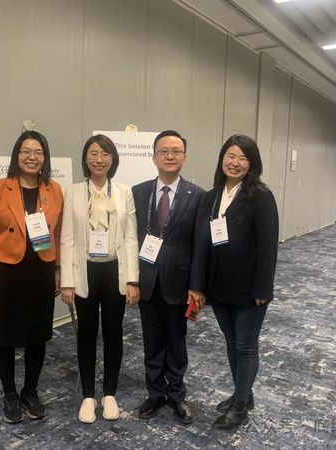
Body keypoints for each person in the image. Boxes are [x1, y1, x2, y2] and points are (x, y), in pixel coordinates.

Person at [0, 130, 63, 424]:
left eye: (38, 152)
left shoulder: (54, 190)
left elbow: (57, 233)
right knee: (5, 337)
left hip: (41, 271)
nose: (31, 157)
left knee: (37, 336)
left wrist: (57, 270)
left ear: (45, 158)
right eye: (26, 151)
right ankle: (10, 394)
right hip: (5, 271)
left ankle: (30, 391)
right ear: (17, 155)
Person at [194, 134, 278, 430]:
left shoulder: (261, 196)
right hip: (219, 287)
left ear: (252, 164)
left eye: (243, 158)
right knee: (232, 344)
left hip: (249, 290)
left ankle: (240, 407)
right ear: (222, 159)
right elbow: (203, 243)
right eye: (231, 156)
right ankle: (244, 394)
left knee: (245, 346)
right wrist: (200, 285)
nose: (235, 162)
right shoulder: (212, 196)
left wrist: (263, 288)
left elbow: (268, 247)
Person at [60, 134, 140, 424]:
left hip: (114, 270)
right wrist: (67, 281)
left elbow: (130, 237)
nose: (99, 159)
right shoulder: (73, 191)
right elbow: (67, 237)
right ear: (86, 158)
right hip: (85, 271)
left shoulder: (123, 191)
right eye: (93, 153)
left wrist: (133, 280)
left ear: (113, 159)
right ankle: (88, 395)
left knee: (113, 333)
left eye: (105, 154)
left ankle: (109, 394)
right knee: (86, 333)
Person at [132, 130, 206, 425]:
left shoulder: (197, 195)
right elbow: (130, 238)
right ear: (154, 157)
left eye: (176, 151)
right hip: (148, 281)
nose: (170, 156)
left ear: (185, 157)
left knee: (177, 342)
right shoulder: (138, 192)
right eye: (164, 151)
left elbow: (200, 245)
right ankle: (155, 394)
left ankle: (176, 394)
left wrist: (197, 286)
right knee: (151, 342)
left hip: (180, 282)